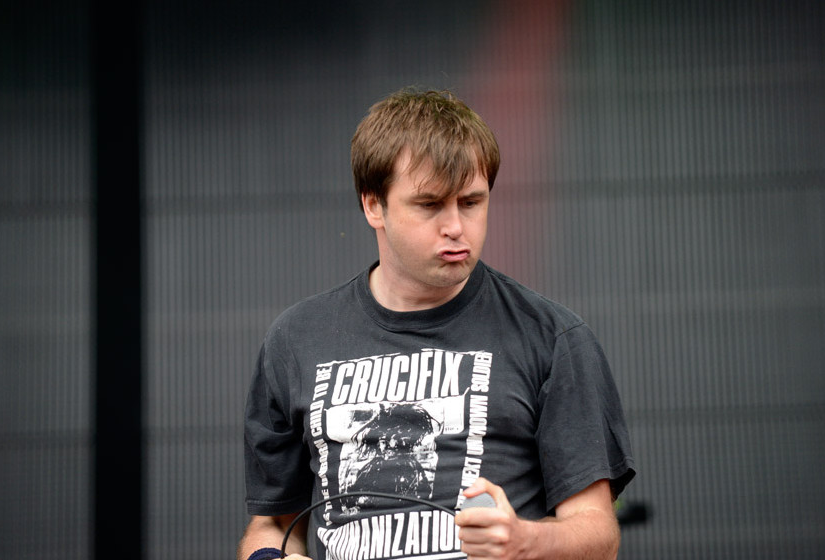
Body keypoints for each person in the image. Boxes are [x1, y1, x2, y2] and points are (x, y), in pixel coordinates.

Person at [238, 88, 635, 560]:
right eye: (428, 205)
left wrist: (525, 541)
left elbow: (598, 536)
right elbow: (271, 525)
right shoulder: (295, 338)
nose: (455, 227)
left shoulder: (552, 336)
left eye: (471, 202)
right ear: (373, 206)